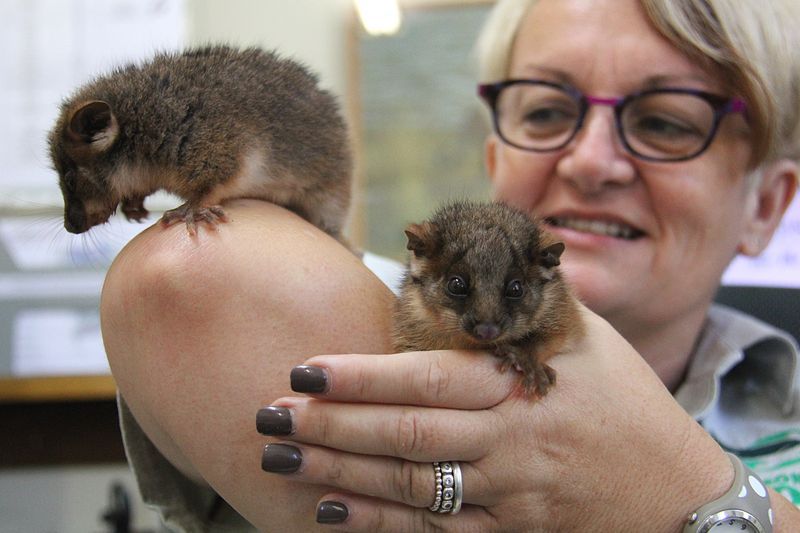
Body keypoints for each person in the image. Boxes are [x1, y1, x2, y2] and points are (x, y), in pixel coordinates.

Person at [99, 0, 800, 531]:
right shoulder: (363, 294)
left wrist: (685, 491)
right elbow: (177, 277)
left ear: (769, 204)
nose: (589, 161)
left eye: (665, 121)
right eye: (547, 111)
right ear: (497, 156)